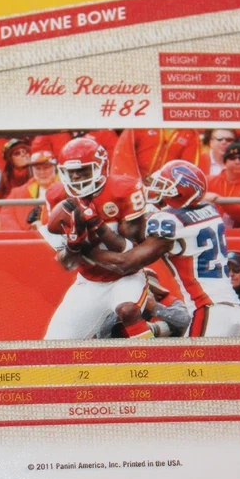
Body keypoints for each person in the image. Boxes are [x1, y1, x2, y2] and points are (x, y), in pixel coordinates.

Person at [87, 160, 240, 337]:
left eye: (164, 186)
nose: (158, 190)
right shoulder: (209, 209)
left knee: (192, 357)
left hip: (210, 310)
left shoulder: (170, 220)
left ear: (179, 192)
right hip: (237, 310)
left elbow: (127, 262)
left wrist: (86, 250)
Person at [41, 137, 153, 339]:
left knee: (128, 309)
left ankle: (151, 355)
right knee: (54, 344)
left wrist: (95, 223)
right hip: (88, 282)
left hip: (126, 278)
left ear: (100, 167)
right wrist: (73, 243)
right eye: (71, 173)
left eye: (83, 171)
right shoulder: (56, 198)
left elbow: (129, 252)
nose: (77, 178)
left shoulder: (123, 190)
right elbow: (67, 263)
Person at [0, 141, 59, 230]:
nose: (42, 172)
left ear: (55, 168)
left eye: (46, 168)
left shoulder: (67, 190)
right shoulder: (17, 193)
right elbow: (6, 216)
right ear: (32, 170)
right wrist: (21, 236)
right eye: (38, 168)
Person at [110, 128, 202, 184]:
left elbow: (188, 170)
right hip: (135, 186)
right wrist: (134, 183)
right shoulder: (140, 124)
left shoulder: (190, 133)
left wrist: (166, 184)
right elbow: (122, 157)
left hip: (165, 192)